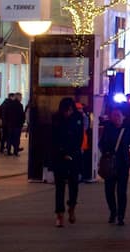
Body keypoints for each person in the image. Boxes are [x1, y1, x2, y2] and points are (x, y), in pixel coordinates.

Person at [50, 97, 85, 227]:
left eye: (70, 110)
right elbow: (54, 138)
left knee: (74, 185)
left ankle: (72, 207)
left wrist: (71, 153)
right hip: (59, 156)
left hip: (74, 156)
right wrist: (62, 153)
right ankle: (59, 214)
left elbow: (80, 138)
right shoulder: (56, 118)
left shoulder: (78, 118)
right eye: (66, 110)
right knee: (59, 187)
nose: (68, 113)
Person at [99, 107, 130, 225]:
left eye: (118, 115)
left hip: (123, 164)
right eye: (113, 115)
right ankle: (113, 211)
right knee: (109, 191)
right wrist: (106, 152)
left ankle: (121, 216)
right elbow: (101, 143)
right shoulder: (107, 128)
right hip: (110, 164)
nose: (116, 118)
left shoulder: (127, 129)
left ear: (123, 116)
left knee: (121, 191)